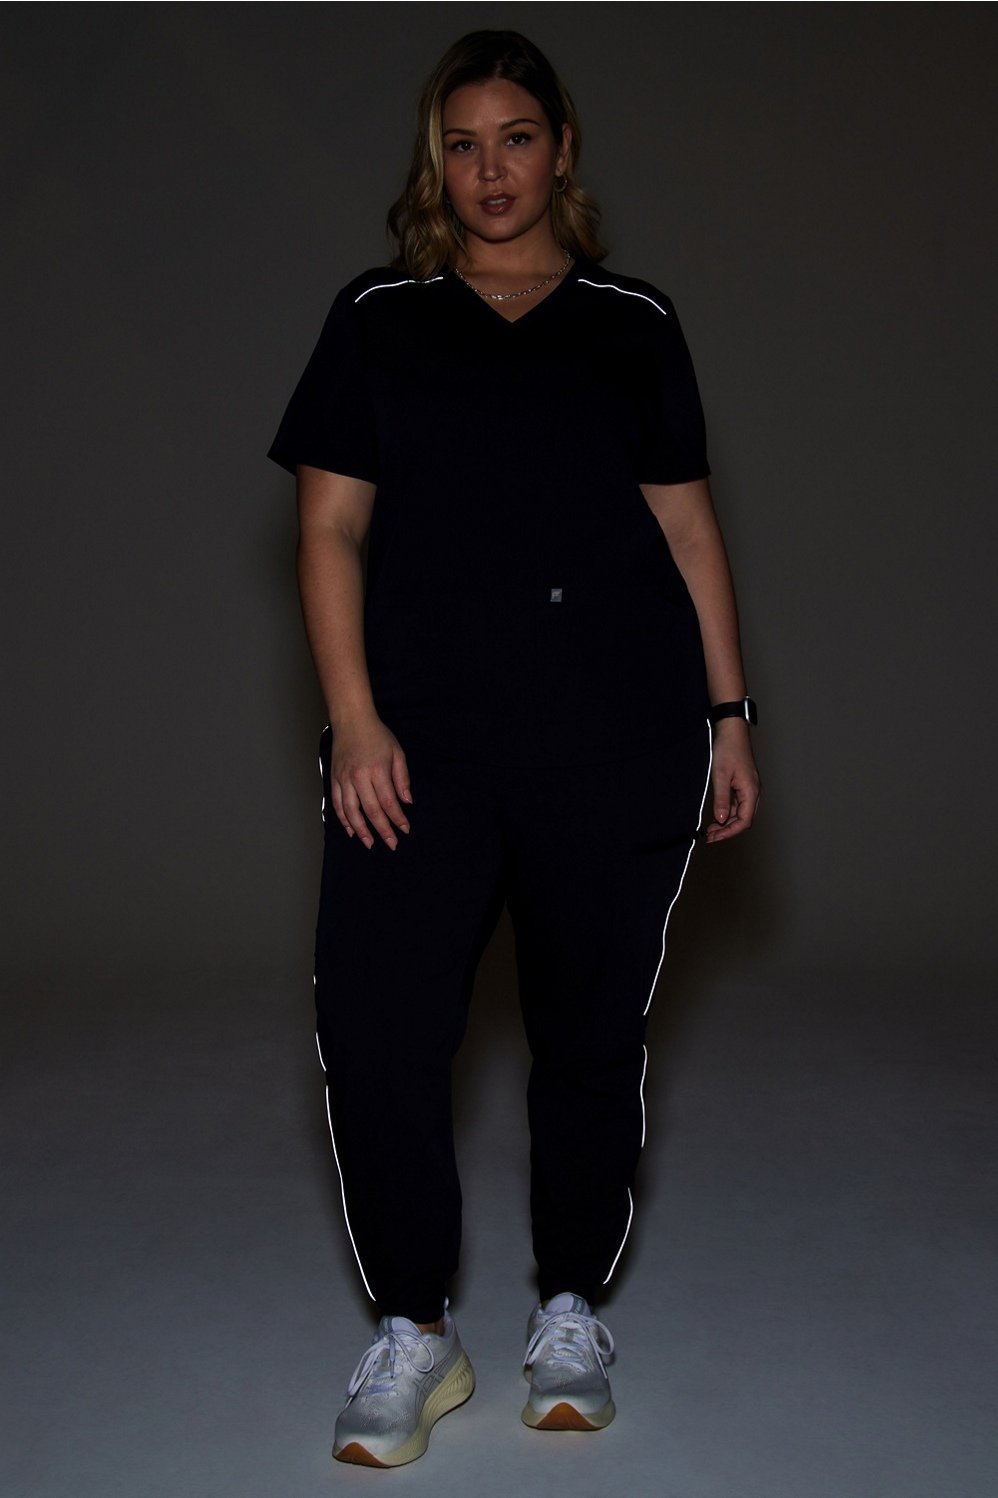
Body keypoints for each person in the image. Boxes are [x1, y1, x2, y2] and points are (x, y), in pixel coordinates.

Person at [268, 28, 760, 1468]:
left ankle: (567, 1310)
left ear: (563, 150)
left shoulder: (632, 322)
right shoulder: (378, 318)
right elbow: (327, 527)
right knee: (377, 1030)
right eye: (464, 145)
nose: (492, 171)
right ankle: (415, 1327)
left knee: (592, 1034)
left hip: (616, 736)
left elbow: (687, 531)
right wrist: (354, 717)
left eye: (518, 139)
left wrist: (729, 715)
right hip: (416, 746)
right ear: (438, 161)